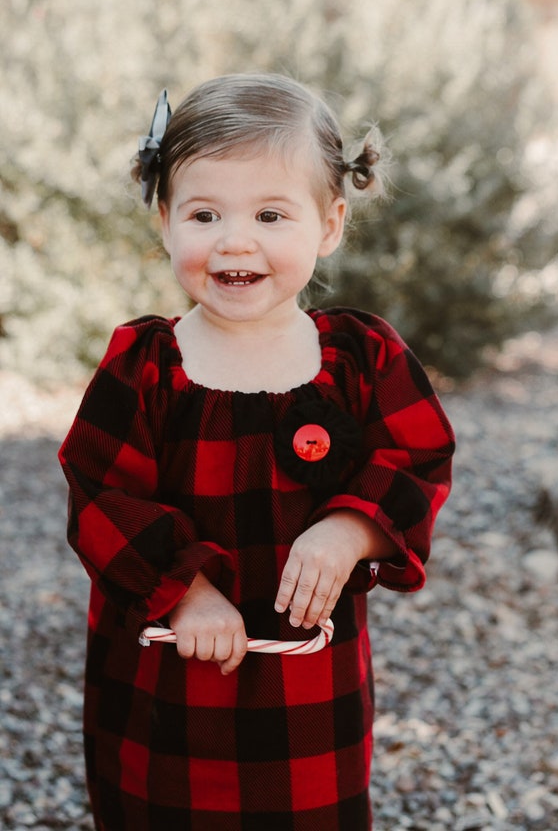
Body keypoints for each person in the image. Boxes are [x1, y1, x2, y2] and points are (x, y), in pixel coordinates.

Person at [59, 73, 455, 831]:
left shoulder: (359, 358)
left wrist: (351, 528)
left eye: (272, 214)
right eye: (205, 214)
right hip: (166, 682)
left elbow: (418, 460)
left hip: (306, 692)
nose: (236, 240)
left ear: (330, 224)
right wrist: (187, 588)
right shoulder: (145, 366)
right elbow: (101, 494)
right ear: (167, 219)